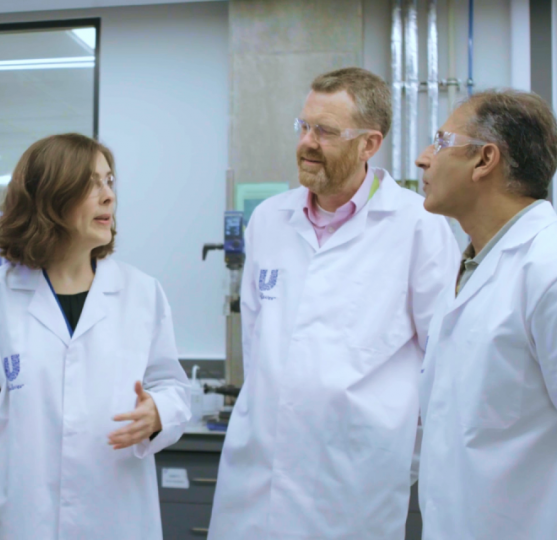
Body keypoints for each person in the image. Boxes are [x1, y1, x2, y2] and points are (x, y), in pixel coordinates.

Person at [208, 67, 459, 539]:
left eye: (325, 131)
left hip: (353, 487)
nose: (307, 142)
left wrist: (393, 457)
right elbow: (259, 346)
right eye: (304, 126)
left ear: (369, 143)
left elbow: (442, 366)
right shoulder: (268, 221)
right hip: (256, 479)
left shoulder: (417, 227)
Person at [0, 133, 191, 540]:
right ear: (49, 197)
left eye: (109, 181)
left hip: (114, 515)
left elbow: (172, 387)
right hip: (19, 519)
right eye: (91, 184)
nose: (108, 197)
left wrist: (158, 414)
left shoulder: (141, 294)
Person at [414, 89, 557, 539]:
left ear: (484, 160)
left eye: (440, 142)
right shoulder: (472, 266)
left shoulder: (546, 267)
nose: (422, 159)